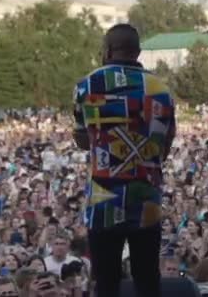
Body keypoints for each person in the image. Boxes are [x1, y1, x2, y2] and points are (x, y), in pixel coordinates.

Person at [72, 23, 176, 297]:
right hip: (147, 198)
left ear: (106, 50)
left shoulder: (87, 85)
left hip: (104, 199)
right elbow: (165, 146)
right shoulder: (160, 89)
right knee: (147, 280)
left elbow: (83, 139)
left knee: (105, 282)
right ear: (138, 52)